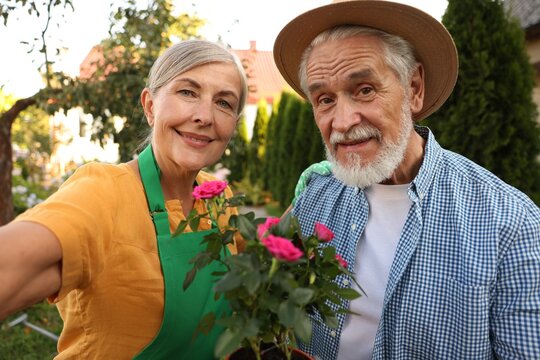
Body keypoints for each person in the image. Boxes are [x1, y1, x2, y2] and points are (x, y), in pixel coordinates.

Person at [273, 1, 540, 359]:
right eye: (324, 99)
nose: (342, 121)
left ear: (413, 88)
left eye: (364, 89)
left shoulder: (511, 222)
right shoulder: (313, 200)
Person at [0, 39, 248, 359]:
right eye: (187, 92)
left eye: (224, 103)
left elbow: (263, 264)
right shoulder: (105, 193)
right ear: (150, 106)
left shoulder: (217, 198)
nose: (205, 116)